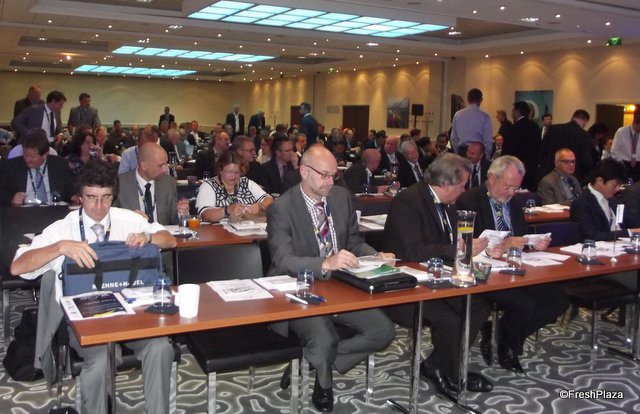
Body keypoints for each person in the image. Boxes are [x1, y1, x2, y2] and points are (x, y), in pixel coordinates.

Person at [11, 158, 176, 414]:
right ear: (80, 196)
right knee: (100, 361)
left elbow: (170, 240)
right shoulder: (62, 229)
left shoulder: (127, 219)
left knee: (161, 347)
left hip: (132, 315)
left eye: (106, 197)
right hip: (86, 320)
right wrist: (60, 247)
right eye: (91, 198)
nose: (99, 206)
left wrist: (148, 236)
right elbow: (17, 267)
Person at [266, 144, 396, 412]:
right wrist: (324, 263)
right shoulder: (282, 208)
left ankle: (311, 360)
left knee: (383, 331)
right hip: (298, 288)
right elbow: (282, 260)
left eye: (333, 175)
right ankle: (323, 382)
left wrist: (376, 256)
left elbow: (354, 242)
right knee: (324, 338)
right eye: (324, 175)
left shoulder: (340, 197)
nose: (330, 181)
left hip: (340, 285)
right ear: (304, 171)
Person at [382, 153, 493, 396]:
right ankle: (453, 371)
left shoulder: (450, 204)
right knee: (450, 319)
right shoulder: (408, 202)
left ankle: (437, 364)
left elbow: (450, 241)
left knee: (478, 305)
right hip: (406, 286)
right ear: (446, 184)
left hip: (438, 278)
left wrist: (471, 247)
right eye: (462, 185)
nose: (464, 190)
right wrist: (457, 249)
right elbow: (412, 251)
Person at [457, 155, 568, 373]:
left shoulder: (514, 202)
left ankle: (502, 336)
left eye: (516, 188)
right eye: (507, 186)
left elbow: (521, 236)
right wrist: (503, 244)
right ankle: (509, 347)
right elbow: (467, 245)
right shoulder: (468, 201)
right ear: (491, 178)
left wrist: (532, 244)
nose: (511, 193)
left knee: (557, 301)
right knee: (525, 304)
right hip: (484, 273)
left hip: (517, 268)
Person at [115, 142, 188, 225]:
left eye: (166, 164)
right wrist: (128, 217)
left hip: (162, 232)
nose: (165, 169)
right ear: (144, 166)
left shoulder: (168, 183)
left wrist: (181, 213)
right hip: (132, 232)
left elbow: (173, 219)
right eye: (161, 165)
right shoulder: (119, 184)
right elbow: (110, 218)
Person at [570, 158, 640, 241]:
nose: (618, 189)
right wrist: (628, 233)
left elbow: (633, 223)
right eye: (615, 185)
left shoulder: (615, 201)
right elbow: (590, 236)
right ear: (600, 181)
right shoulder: (581, 203)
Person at [0, 129, 72, 206]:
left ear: (45, 155)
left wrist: (74, 196)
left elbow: (70, 190)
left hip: (53, 209)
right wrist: (12, 199)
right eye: (25, 155)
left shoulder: (60, 165)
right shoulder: (10, 166)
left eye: (32, 157)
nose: (27, 159)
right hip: (23, 211)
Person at [196, 150, 272, 222]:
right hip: (218, 229)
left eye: (237, 172)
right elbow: (205, 214)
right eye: (229, 172)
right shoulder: (208, 186)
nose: (233, 176)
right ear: (220, 170)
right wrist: (226, 211)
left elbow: (269, 199)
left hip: (247, 226)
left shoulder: (246, 182)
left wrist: (261, 206)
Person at [538, 109, 593, 184]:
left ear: (572, 117)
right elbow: (586, 160)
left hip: (549, 174)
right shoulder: (584, 135)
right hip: (571, 178)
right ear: (585, 121)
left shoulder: (553, 129)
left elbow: (542, 151)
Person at [502, 101, 541, 191]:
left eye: (513, 111)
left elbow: (508, 149)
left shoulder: (514, 128)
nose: (511, 113)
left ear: (517, 112)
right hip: (532, 168)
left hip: (516, 167)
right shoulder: (536, 127)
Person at [450, 88, 493, 158]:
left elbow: (453, 138)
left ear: (468, 99)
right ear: (481, 100)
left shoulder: (458, 114)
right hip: (478, 152)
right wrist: (486, 156)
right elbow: (488, 140)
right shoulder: (485, 116)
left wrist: (458, 152)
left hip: (462, 151)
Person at [610, 112, 640, 181]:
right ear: (634, 123)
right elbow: (614, 150)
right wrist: (620, 164)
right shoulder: (622, 131)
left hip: (638, 164)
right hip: (624, 163)